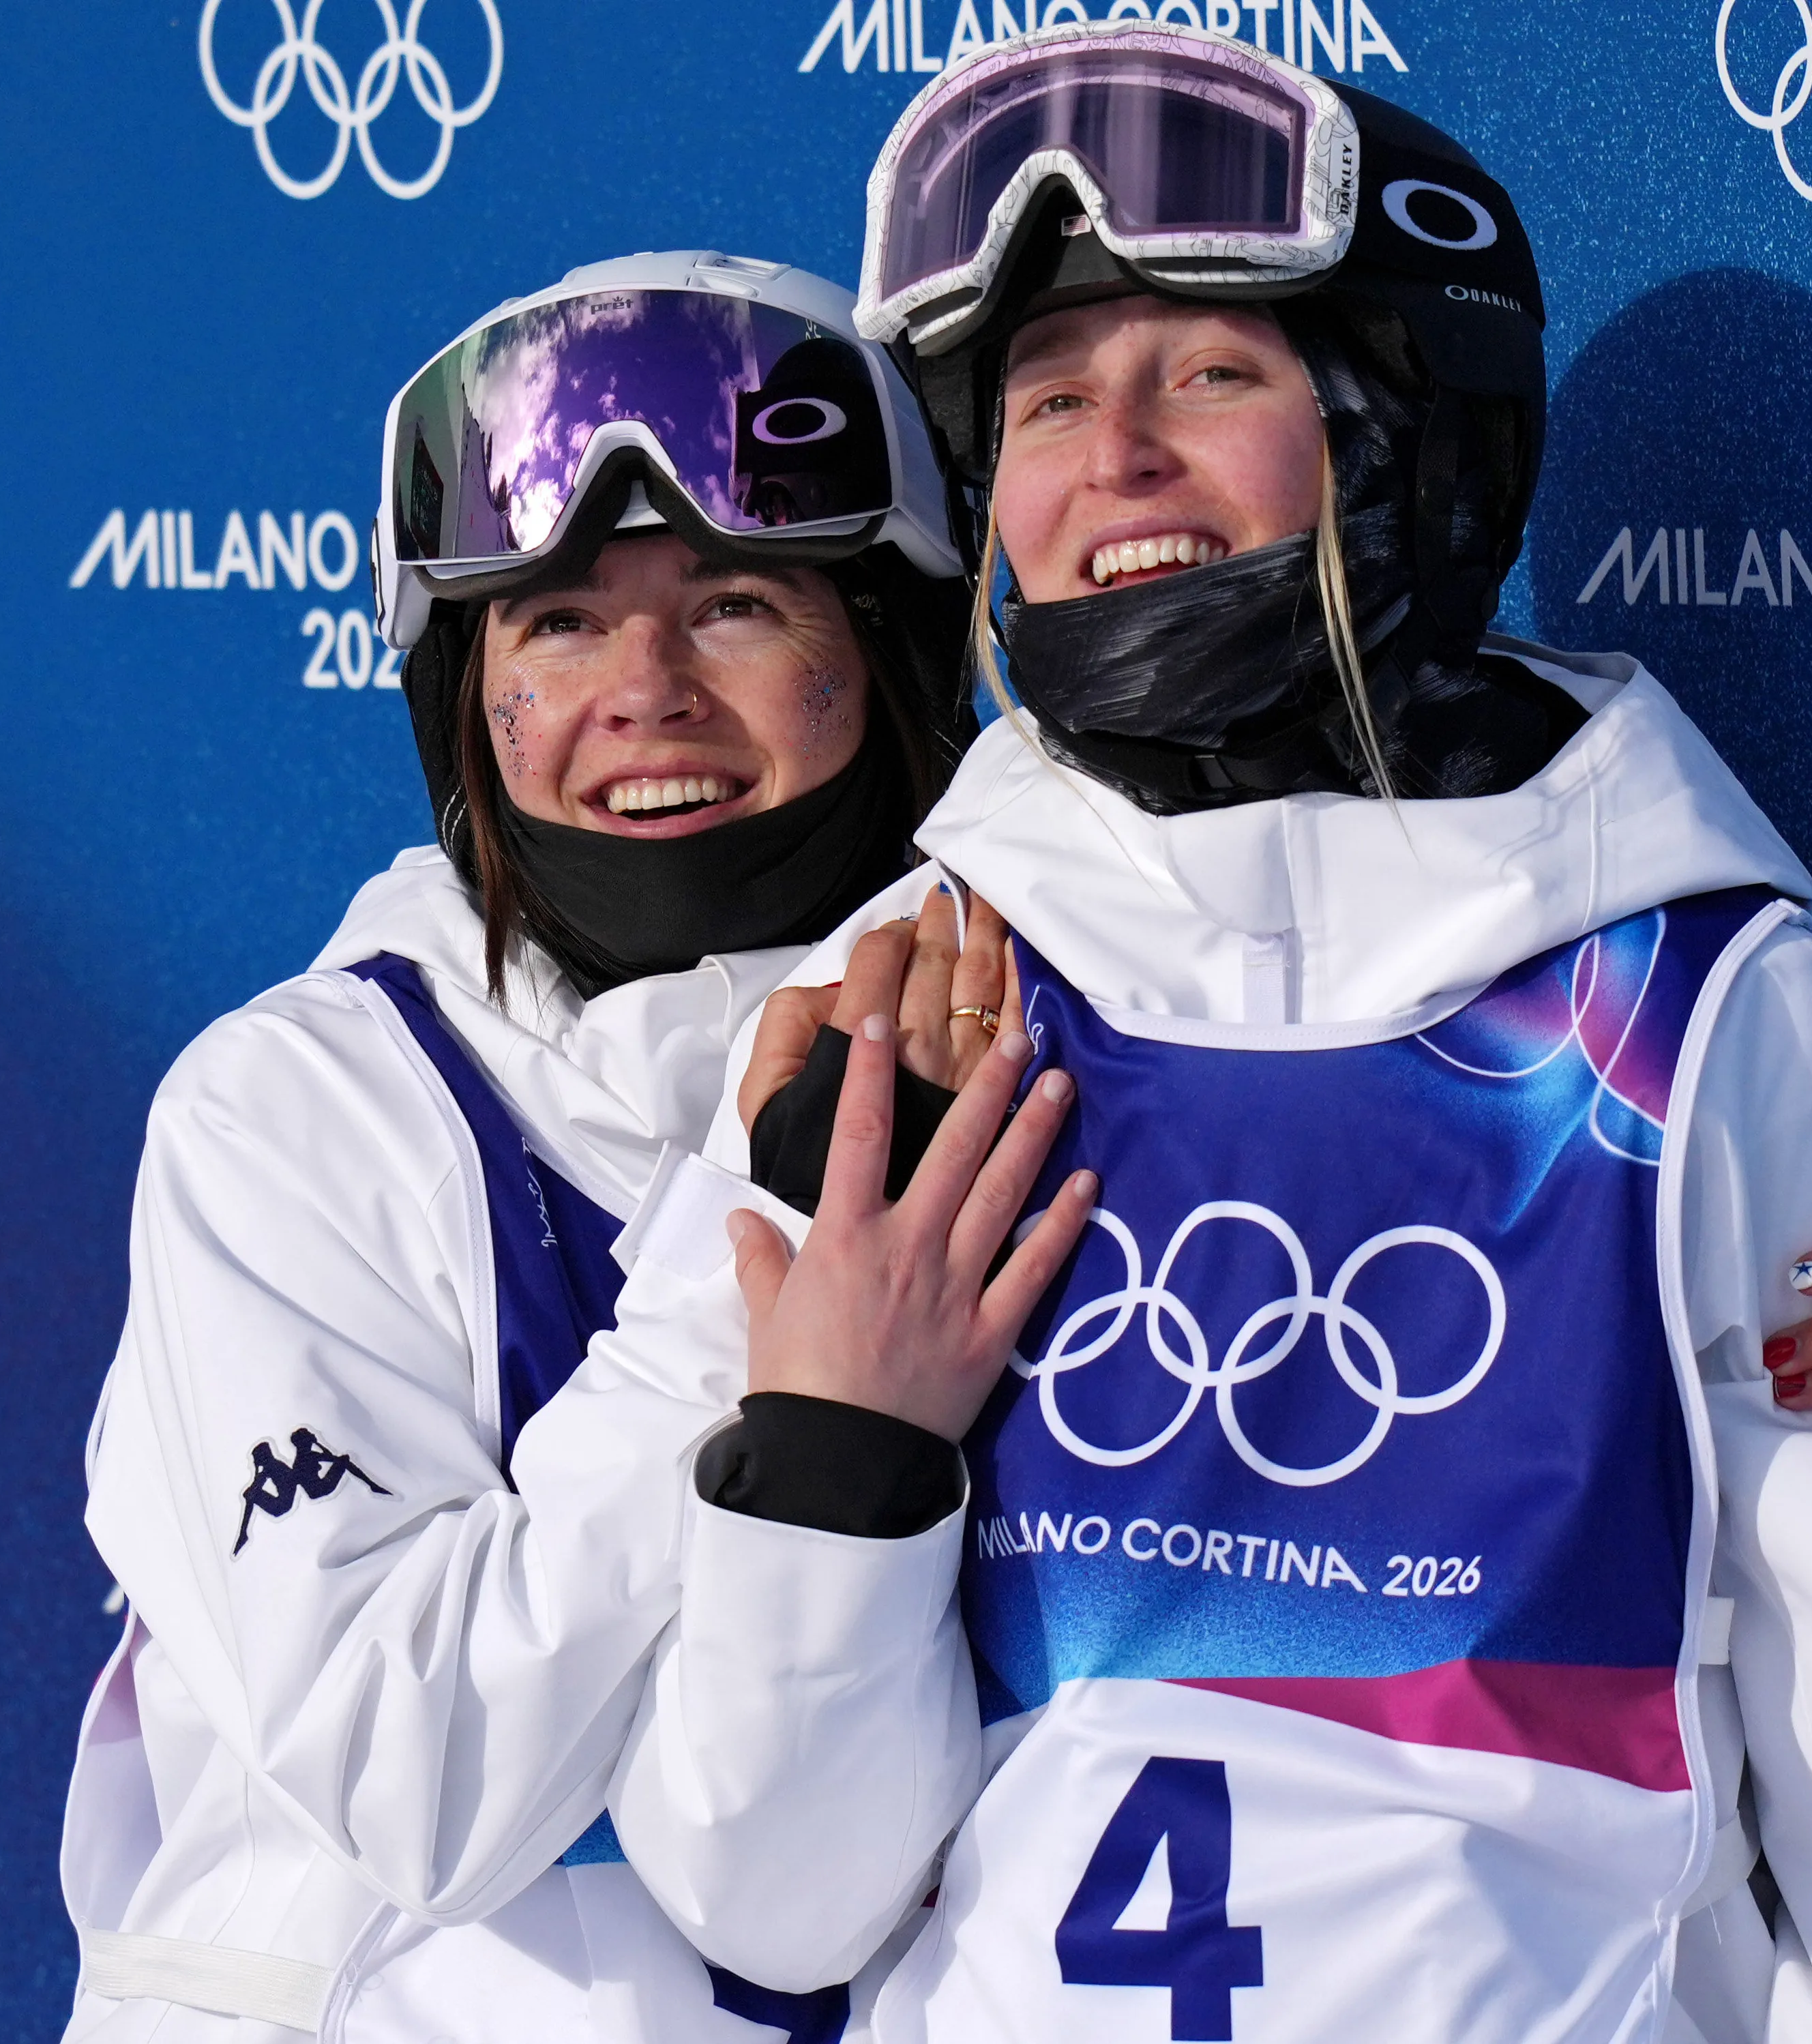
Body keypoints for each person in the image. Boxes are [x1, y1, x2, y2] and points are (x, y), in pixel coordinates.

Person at [622, 25, 1812, 2043]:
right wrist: (834, 1451)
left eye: (1212, 374)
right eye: (1051, 402)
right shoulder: (912, 1000)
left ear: (1417, 435)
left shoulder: (1694, 1016)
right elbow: (768, 1899)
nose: (1113, 461)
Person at [53, 250, 1093, 2044]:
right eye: (556, 625)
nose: (648, 692)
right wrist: (775, 1239)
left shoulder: (1040, 1061)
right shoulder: (307, 1112)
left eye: (739, 604)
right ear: (470, 701)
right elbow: (420, 1769)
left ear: (897, 652)